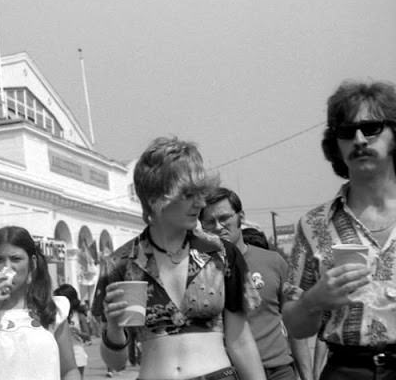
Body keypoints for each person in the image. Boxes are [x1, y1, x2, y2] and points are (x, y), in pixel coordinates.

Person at [93, 137, 265, 380]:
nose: (201, 202)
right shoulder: (120, 263)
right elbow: (116, 363)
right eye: (188, 194)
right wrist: (113, 327)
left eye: (201, 192)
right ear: (155, 198)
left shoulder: (221, 253)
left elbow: (241, 341)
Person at [283, 80, 396, 380]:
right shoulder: (314, 225)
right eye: (346, 132)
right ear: (336, 145)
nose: (359, 139)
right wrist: (314, 300)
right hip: (347, 369)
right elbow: (295, 324)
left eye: (371, 128)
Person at [200, 187, 313, 380]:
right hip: (227, 374)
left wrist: (307, 375)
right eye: (210, 222)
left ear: (240, 217)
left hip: (279, 371)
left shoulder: (273, 262)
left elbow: (293, 325)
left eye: (224, 218)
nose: (218, 226)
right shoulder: (198, 270)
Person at [0, 226, 79, 380]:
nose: (7, 267)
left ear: (32, 263)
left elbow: (69, 370)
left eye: (16, 259)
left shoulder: (52, 310)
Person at [54, 283, 92, 380]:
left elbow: (88, 335)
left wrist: (77, 332)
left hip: (77, 352)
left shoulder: (78, 315)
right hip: (59, 354)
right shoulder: (56, 316)